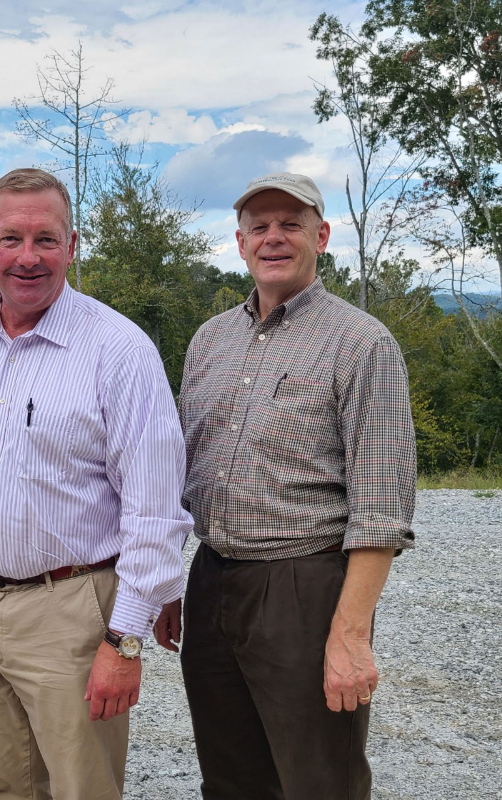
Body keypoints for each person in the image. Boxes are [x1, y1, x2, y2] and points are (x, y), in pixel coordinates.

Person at [0, 168, 192, 800]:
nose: (28, 258)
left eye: (46, 239)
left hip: (73, 609)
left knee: (81, 789)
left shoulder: (118, 350)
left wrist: (124, 641)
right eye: (11, 239)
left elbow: (154, 511)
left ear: (73, 245)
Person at [166, 172, 416, 799]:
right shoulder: (210, 340)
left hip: (304, 583)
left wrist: (350, 634)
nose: (273, 237)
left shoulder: (360, 342)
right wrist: (168, 581)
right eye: (259, 226)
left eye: (291, 224)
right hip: (213, 575)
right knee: (229, 775)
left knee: (317, 779)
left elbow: (382, 505)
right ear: (241, 242)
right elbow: (176, 469)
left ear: (321, 236)